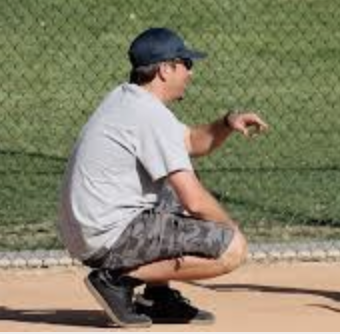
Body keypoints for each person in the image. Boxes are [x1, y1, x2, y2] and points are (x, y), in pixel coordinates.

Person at [58, 27, 268, 328]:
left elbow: (192, 142)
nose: (191, 73)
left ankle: (156, 297)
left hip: (90, 229)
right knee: (232, 249)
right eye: (186, 64)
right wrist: (228, 227)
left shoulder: (127, 98)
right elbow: (193, 200)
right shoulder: (148, 115)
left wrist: (226, 123)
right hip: (106, 236)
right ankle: (117, 279)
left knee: (172, 187)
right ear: (165, 69)